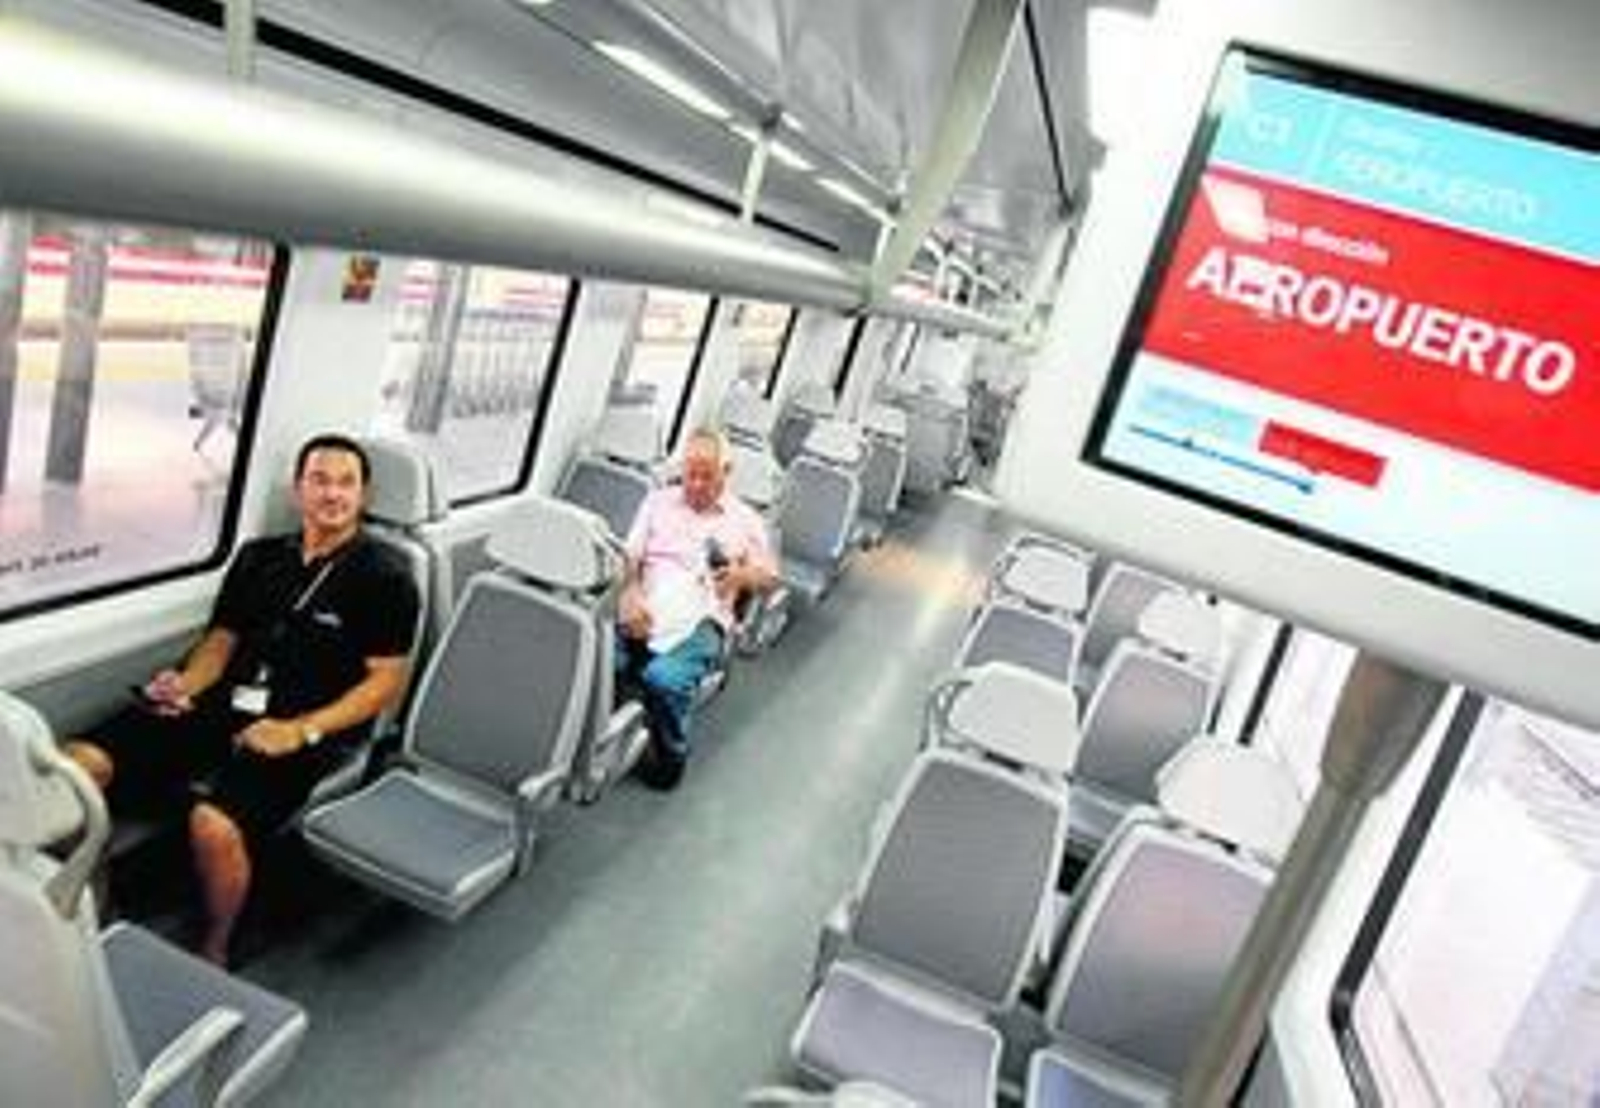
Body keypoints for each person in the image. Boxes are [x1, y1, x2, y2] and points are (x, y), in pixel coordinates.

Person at [65, 433, 419, 964]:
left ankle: (216, 946)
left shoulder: (385, 577)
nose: (332, 494)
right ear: (299, 490)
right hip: (222, 707)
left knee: (213, 825)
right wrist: (188, 686)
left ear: (363, 496)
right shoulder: (258, 558)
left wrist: (301, 730)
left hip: (303, 729)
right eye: (319, 480)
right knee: (79, 766)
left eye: (347, 483)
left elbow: (386, 683)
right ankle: (93, 905)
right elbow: (221, 640)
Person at [618, 427, 777, 790]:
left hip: (703, 617)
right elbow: (630, 557)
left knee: (664, 678)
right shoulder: (656, 501)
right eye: (691, 473)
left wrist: (738, 575)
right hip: (649, 601)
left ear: (727, 471)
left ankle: (672, 754)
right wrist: (630, 593)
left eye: (708, 475)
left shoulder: (745, 519)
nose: (698, 484)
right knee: (597, 660)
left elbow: (768, 577)